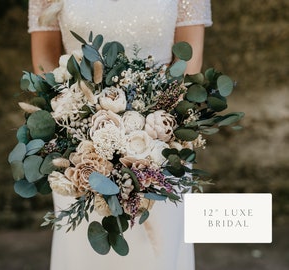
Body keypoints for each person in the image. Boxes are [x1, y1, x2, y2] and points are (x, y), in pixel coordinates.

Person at [28, 1, 212, 269]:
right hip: (79, 149)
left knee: (158, 251)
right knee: (84, 253)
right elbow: (45, 64)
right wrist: (81, 121)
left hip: (162, 140)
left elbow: (189, 64)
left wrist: (152, 128)